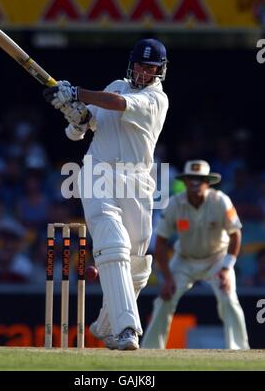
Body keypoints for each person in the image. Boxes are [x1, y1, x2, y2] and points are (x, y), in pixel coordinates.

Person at [43, 38, 169, 350]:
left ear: (160, 71)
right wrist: (76, 117)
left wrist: (74, 94)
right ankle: (128, 329)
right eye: (141, 64)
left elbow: (118, 106)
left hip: (138, 181)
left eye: (151, 67)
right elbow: (86, 124)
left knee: (138, 264)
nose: (144, 71)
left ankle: (103, 325)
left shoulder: (156, 100)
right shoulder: (115, 85)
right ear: (132, 63)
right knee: (114, 244)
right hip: (98, 173)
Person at [141, 160, 250, 349]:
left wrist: (226, 267)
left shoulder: (220, 201)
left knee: (229, 298)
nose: (195, 183)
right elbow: (160, 242)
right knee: (164, 301)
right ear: (185, 181)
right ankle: (150, 349)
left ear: (208, 182)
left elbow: (236, 235)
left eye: (200, 179)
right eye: (191, 178)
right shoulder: (175, 203)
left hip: (217, 258)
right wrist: (167, 279)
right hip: (184, 260)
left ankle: (239, 349)